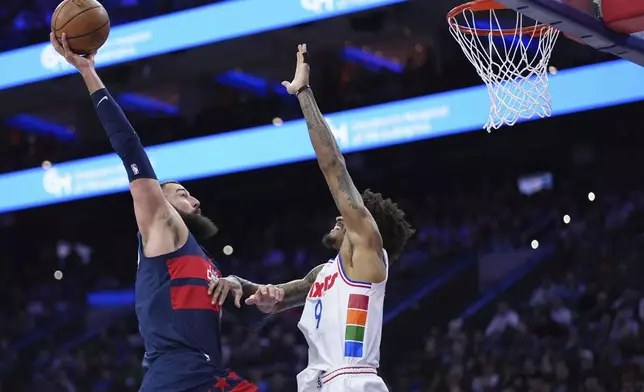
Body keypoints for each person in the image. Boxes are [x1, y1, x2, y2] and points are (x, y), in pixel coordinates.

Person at [49, 33, 279, 392]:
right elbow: (129, 146)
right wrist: (88, 71)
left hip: (207, 374)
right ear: (162, 202)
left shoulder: (202, 260)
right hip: (176, 378)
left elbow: (248, 319)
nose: (196, 201)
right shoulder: (162, 227)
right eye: (183, 194)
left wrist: (261, 305)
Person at [232, 44, 415, 392]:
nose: (339, 215)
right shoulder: (323, 273)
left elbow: (333, 166)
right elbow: (278, 297)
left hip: (352, 380)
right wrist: (244, 289)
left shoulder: (366, 251)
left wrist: (303, 92)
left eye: (348, 215)